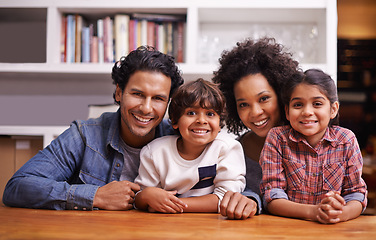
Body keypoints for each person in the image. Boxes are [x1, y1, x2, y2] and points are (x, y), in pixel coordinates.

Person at [2, 46, 184, 210]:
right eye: (137, 94)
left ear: (168, 102)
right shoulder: (85, 135)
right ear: (119, 93)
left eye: (158, 98)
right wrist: (95, 196)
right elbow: (17, 187)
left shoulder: (180, 137)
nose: (146, 108)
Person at [260, 69, 367, 224]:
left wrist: (339, 214)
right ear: (287, 112)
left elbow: (356, 194)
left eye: (317, 104)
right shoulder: (277, 138)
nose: (307, 112)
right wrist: (314, 211)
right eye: (298, 105)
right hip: (287, 228)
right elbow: (272, 197)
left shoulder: (346, 140)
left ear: (333, 109)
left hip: (332, 229)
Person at [212, 37, 300, 219]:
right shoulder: (231, 153)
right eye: (243, 104)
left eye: (264, 98)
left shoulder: (310, 142)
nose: (255, 112)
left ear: (282, 94)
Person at [134, 78, 246, 213]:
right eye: (191, 113)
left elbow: (226, 200)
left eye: (210, 114)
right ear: (175, 121)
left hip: (214, 226)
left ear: (220, 124)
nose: (201, 120)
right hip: (166, 226)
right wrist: (146, 195)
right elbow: (140, 199)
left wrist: (170, 205)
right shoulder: (154, 152)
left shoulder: (227, 148)